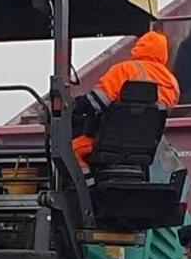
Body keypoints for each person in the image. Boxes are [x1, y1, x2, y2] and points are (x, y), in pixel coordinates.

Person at [71, 30, 179, 173]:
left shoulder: (123, 70)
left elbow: (97, 102)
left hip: (109, 143)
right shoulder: (172, 83)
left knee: (72, 150)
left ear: (139, 46)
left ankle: (88, 189)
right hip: (144, 147)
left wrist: (74, 105)